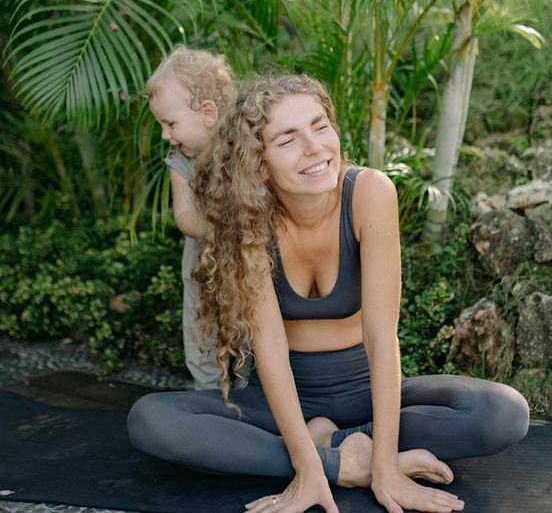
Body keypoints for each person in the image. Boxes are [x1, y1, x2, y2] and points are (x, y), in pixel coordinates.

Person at [129, 73, 529, 513]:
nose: (316, 147)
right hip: (281, 402)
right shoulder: (249, 218)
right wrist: (316, 468)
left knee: (503, 413)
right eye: (288, 139)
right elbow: (271, 347)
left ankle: (341, 442)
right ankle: (337, 460)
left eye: (320, 126)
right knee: (151, 420)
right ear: (259, 163)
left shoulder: (370, 193)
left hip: (367, 392)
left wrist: (387, 467)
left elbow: (381, 334)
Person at [146, 46, 237, 389]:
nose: (165, 135)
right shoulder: (180, 162)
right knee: (203, 338)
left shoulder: (247, 149)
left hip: (252, 268)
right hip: (204, 272)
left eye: (170, 123)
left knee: (255, 337)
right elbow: (185, 215)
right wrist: (230, 225)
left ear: (208, 112)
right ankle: (211, 400)